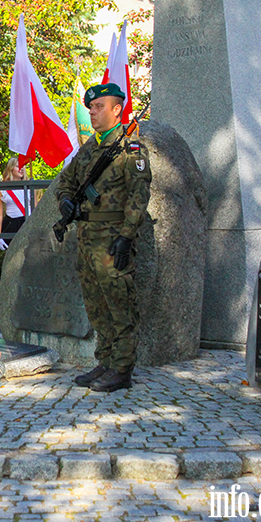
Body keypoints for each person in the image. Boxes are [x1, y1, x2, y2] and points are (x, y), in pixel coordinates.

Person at [56, 83, 151, 393]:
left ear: (116, 110)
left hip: (112, 240)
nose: (92, 112)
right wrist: (65, 201)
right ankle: (106, 360)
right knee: (96, 304)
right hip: (86, 239)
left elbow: (138, 197)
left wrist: (126, 237)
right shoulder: (89, 149)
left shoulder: (131, 149)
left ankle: (122, 369)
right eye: (90, 108)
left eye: (98, 107)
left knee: (120, 304)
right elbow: (65, 182)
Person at [0, 157, 32, 238]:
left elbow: (36, 208)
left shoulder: (30, 186)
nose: (21, 169)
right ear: (11, 168)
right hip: (11, 224)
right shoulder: (2, 188)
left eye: (22, 166)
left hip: (28, 223)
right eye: (17, 166)